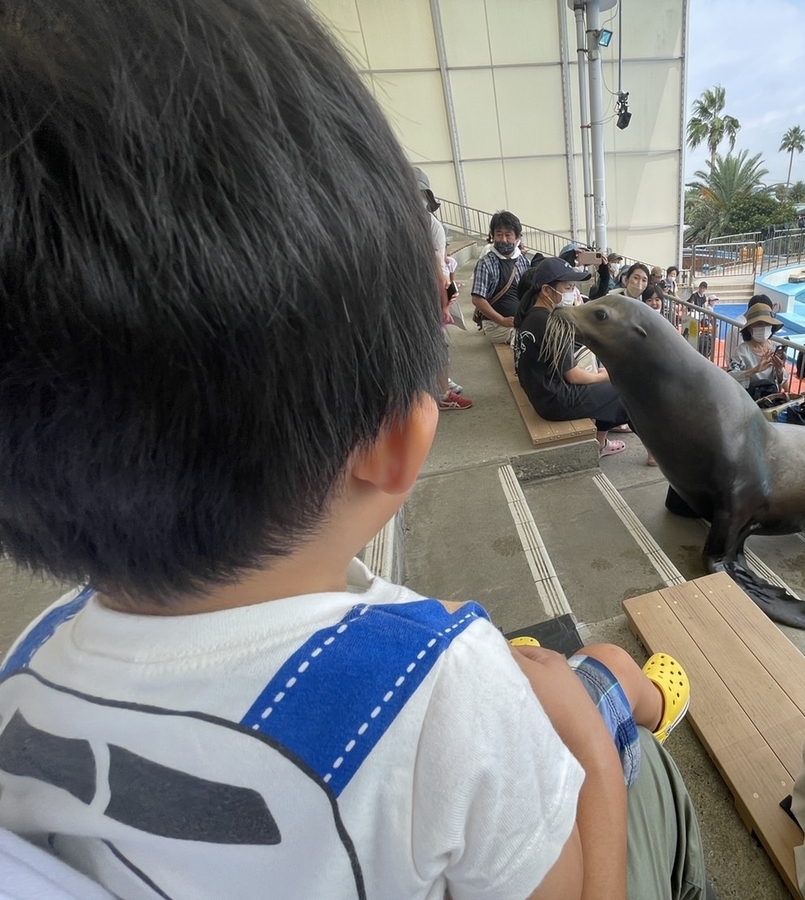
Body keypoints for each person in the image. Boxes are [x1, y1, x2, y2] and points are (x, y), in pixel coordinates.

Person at [0, 3, 706, 898]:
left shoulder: (27, 666)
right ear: (400, 442)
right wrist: (594, 776)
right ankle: (644, 709)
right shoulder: (446, 694)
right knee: (592, 679)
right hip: (526, 772)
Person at [513, 259, 637, 460]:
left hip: (544, 395)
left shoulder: (532, 316)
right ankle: (655, 452)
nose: (572, 292)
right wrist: (606, 375)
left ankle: (602, 440)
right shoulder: (549, 322)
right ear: (546, 290)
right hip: (556, 401)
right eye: (568, 287)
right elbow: (574, 376)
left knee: (615, 395)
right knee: (628, 391)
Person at [416, 167, 472, 411]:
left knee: (436, 344)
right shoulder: (395, 221)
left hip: (424, 296)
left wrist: (445, 302)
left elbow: (439, 269)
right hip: (409, 296)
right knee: (430, 345)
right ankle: (436, 392)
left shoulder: (432, 227)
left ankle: (439, 390)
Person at [471, 210, 530, 344]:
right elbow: (477, 299)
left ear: (518, 237)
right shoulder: (485, 263)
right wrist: (502, 320)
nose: (503, 239)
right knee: (528, 338)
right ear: (492, 235)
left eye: (508, 235)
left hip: (519, 322)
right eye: (499, 234)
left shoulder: (524, 262)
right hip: (496, 325)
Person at [726, 300, 785, 398]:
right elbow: (732, 375)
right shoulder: (741, 351)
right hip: (748, 398)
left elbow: (780, 381)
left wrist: (779, 370)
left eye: (767, 324)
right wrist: (755, 370)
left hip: (770, 398)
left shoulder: (775, 347)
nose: (764, 327)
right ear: (750, 328)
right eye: (759, 324)